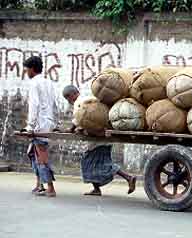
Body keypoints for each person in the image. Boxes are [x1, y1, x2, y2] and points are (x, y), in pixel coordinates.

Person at [62, 85, 137, 196]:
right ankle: (97, 189)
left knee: (94, 163)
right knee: (98, 163)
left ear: (71, 95)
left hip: (98, 140)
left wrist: (71, 129)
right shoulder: (90, 99)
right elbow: (89, 120)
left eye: (68, 98)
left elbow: (78, 118)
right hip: (104, 137)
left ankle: (128, 177)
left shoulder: (80, 103)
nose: (69, 101)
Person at [21, 56, 60, 197]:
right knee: (33, 153)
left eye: (26, 69)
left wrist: (30, 126)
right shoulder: (48, 83)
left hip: (39, 125)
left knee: (41, 156)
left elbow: (34, 106)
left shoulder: (34, 84)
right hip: (47, 123)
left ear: (32, 69)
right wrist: (56, 124)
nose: (26, 72)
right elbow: (55, 105)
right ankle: (39, 185)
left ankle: (50, 187)